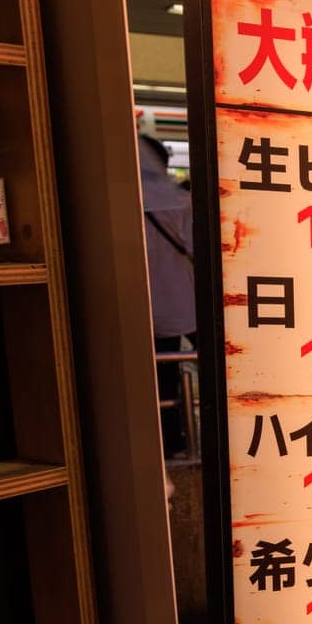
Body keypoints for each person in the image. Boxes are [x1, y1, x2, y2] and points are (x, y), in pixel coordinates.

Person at [140, 133, 197, 457]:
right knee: (214, 364)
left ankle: (172, 444)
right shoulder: (181, 203)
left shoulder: (121, 204)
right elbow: (196, 248)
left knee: (164, 374)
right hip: (185, 299)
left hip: (148, 307)